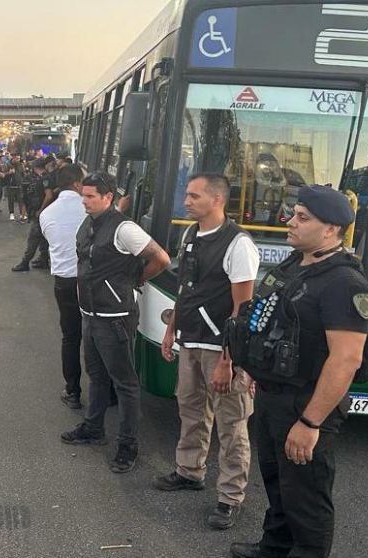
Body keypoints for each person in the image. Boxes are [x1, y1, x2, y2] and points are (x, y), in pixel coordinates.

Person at [229, 186, 368, 558]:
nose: (290, 221)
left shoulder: (344, 283)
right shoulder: (296, 264)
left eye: (302, 217)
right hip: (275, 396)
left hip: (307, 403)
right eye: (294, 213)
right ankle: (273, 549)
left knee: (306, 498)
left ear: (332, 229)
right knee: (278, 487)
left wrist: (311, 424)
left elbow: (346, 359)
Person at [154, 174, 260, 530]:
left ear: (216, 200)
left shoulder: (238, 244)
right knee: (191, 410)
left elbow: (241, 310)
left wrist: (229, 361)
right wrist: (171, 330)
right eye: (186, 194)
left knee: (232, 424)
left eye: (194, 195)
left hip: (221, 349)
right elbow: (185, 290)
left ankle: (230, 497)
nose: (186, 201)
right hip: (191, 341)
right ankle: (189, 471)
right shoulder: (191, 235)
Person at [60, 172, 171, 474]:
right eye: (83, 195)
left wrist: (135, 280)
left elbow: (162, 258)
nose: (84, 201)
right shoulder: (90, 222)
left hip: (115, 319)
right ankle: (94, 428)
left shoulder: (125, 230)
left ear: (108, 197)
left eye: (91, 197)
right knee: (96, 376)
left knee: (125, 383)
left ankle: (128, 445)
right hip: (90, 315)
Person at [39, 164, 87, 409]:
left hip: (64, 283)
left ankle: (73, 391)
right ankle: (108, 392)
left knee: (70, 336)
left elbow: (51, 241)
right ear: (78, 184)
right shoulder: (90, 208)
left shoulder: (46, 214)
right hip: (90, 281)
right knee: (97, 337)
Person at [11, 159, 56, 272]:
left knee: (33, 239)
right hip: (44, 213)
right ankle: (44, 260)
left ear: (35, 167)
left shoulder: (45, 178)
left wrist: (41, 210)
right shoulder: (45, 177)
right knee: (43, 239)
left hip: (42, 214)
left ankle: (25, 262)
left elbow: (49, 195)